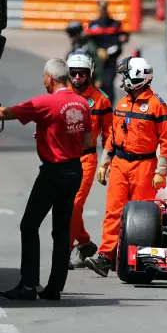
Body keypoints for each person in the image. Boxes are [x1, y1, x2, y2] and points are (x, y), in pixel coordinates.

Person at [0, 59, 92, 300]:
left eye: (44, 78)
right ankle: (55, 287)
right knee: (61, 231)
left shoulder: (44, 102)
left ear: (50, 78)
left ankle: (28, 285)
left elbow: (5, 113)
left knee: (29, 225)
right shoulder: (82, 103)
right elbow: (87, 142)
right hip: (75, 170)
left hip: (53, 172)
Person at [84, 57, 167, 277]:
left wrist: (160, 174)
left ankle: (140, 259)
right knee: (113, 212)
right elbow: (113, 138)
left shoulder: (157, 105)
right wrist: (104, 164)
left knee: (141, 218)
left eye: (125, 75)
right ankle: (106, 258)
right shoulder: (123, 103)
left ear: (137, 77)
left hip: (144, 166)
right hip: (119, 164)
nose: (122, 79)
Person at [65, 51, 113, 269]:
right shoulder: (62, 95)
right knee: (66, 204)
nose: (77, 78)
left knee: (74, 204)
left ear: (89, 74)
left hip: (86, 158)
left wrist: (106, 160)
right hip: (63, 157)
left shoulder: (101, 99)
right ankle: (84, 242)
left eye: (82, 74)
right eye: (73, 74)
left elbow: (109, 132)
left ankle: (63, 250)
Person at [84, 1, 129, 105]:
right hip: (95, 61)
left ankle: (108, 109)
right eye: (100, 8)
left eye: (104, 8)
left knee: (108, 85)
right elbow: (87, 41)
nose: (102, 10)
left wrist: (109, 52)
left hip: (110, 61)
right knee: (94, 86)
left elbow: (123, 38)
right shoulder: (92, 24)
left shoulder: (115, 24)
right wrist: (97, 52)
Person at [65, 21, 104, 89]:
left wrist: (99, 79)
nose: (71, 37)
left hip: (88, 78)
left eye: (72, 34)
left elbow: (97, 61)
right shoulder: (75, 45)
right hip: (76, 79)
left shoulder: (88, 44)